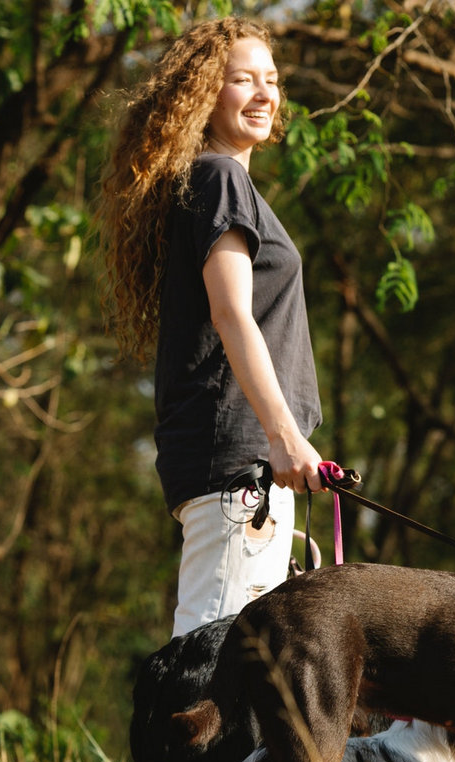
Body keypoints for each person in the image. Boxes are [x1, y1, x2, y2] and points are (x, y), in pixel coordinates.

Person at [99, 18, 324, 637]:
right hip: (241, 462)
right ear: (203, 93)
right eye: (242, 80)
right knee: (214, 656)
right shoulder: (220, 177)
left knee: (236, 666)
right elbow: (231, 314)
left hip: (242, 461)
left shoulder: (219, 182)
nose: (263, 94)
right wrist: (282, 435)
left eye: (271, 81)